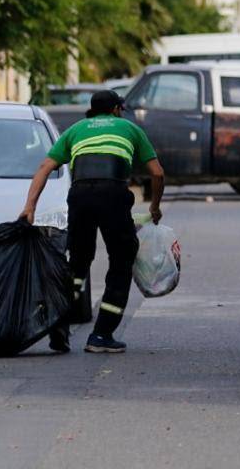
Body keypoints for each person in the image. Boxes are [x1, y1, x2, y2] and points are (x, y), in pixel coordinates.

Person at [19, 89, 165, 354]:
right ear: (116, 110)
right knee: (121, 261)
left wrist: (29, 207)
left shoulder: (76, 130)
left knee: (77, 263)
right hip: (113, 194)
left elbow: (44, 167)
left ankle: (58, 325)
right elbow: (157, 173)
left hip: (80, 195)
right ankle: (101, 335)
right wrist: (154, 207)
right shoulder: (129, 128)